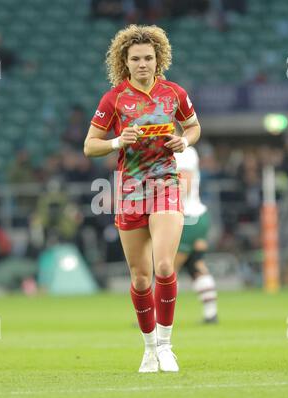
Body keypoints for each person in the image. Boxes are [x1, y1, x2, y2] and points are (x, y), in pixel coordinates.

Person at [84, 25, 201, 373]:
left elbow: (193, 126)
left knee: (165, 265)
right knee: (140, 278)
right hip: (131, 190)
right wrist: (118, 141)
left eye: (148, 57)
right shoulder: (114, 99)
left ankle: (166, 345)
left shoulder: (174, 93)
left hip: (165, 182)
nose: (143, 64)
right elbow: (90, 145)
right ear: (125, 61)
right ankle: (149, 348)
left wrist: (186, 140)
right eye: (135, 58)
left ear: (158, 58)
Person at [174, 147, 218, 323]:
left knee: (168, 268)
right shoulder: (186, 150)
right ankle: (211, 313)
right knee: (196, 264)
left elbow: (185, 182)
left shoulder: (182, 151)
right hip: (197, 216)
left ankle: (155, 317)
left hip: (187, 218)